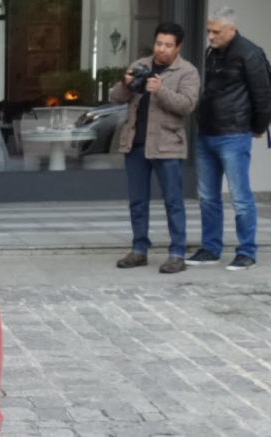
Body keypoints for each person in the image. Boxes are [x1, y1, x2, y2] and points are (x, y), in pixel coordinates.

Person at [111, 23, 200, 274]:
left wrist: (161, 91)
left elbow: (186, 105)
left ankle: (177, 253)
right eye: (159, 43)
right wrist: (126, 83)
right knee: (137, 202)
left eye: (168, 45)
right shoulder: (140, 64)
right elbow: (116, 97)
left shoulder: (187, 72)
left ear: (178, 47)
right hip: (135, 144)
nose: (161, 49)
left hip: (167, 145)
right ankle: (139, 250)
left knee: (173, 201)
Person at [191, 6, 271, 271]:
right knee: (207, 197)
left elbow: (263, 95)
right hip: (207, 133)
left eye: (216, 31)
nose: (210, 36)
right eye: (209, 31)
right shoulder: (212, 52)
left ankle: (247, 251)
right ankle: (210, 248)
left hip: (234, 134)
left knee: (240, 197)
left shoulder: (250, 53)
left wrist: (258, 127)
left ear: (232, 29)